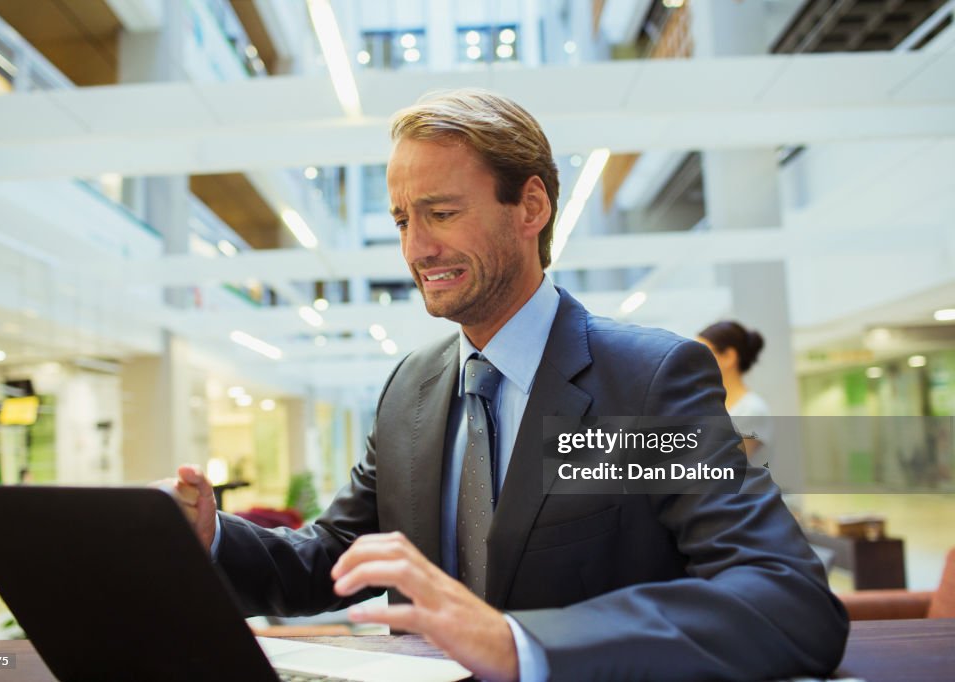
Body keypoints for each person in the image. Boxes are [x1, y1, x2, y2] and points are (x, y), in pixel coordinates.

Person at [166, 89, 847, 681]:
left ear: (531, 207)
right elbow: (332, 560)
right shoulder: (412, 389)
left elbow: (782, 598)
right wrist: (210, 538)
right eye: (404, 219)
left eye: (441, 212)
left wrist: (523, 645)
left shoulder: (643, 383)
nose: (415, 249)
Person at [697, 320, 773, 465]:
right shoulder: (711, 405)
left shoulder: (751, 410)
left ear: (729, 357)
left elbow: (724, 465)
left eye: (702, 353)